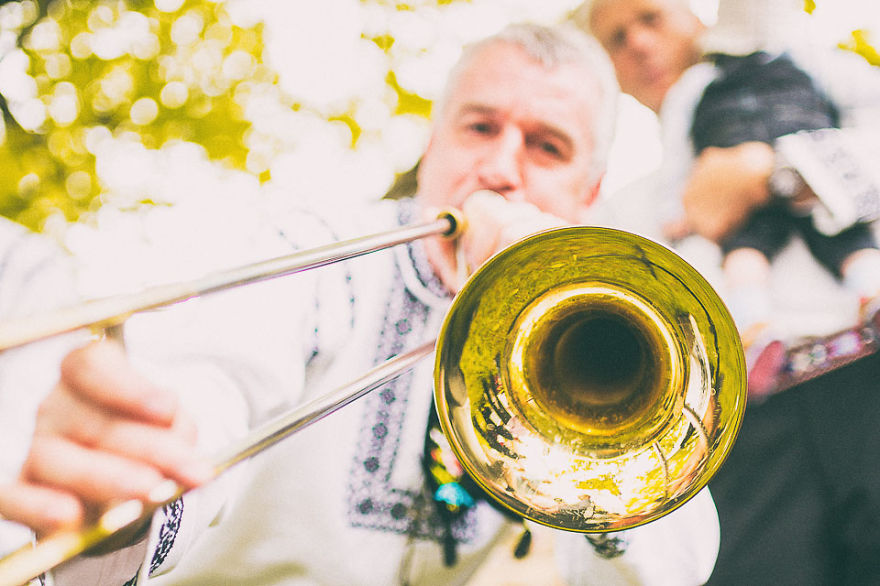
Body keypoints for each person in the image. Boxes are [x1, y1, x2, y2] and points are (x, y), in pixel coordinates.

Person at [0, 23, 721, 586]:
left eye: (547, 147)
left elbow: (674, 566)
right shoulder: (323, 250)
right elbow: (220, 379)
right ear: (432, 144)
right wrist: (134, 482)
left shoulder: (615, 313)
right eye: (479, 127)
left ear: (588, 195)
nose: (501, 169)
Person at [575, 0, 880, 583]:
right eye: (615, 39)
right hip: (747, 436)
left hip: (867, 384)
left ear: (697, 17)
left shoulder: (810, 70)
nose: (637, 43)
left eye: (650, 18)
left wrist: (772, 173)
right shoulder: (627, 208)